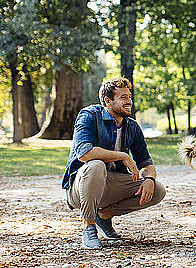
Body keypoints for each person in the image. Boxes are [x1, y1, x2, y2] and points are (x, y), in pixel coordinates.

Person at [61, 77, 166, 249]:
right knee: (96, 165)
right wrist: (122, 156)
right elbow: (84, 153)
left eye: (129, 97)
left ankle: (103, 216)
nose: (129, 101)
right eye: (123, 97)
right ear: (108, 101)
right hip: (81, 187)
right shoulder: (89, 115)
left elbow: (146, 163)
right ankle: (88, 226)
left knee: (158, 190)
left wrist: (149, 179)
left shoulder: (132, 127)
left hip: (111, 184)